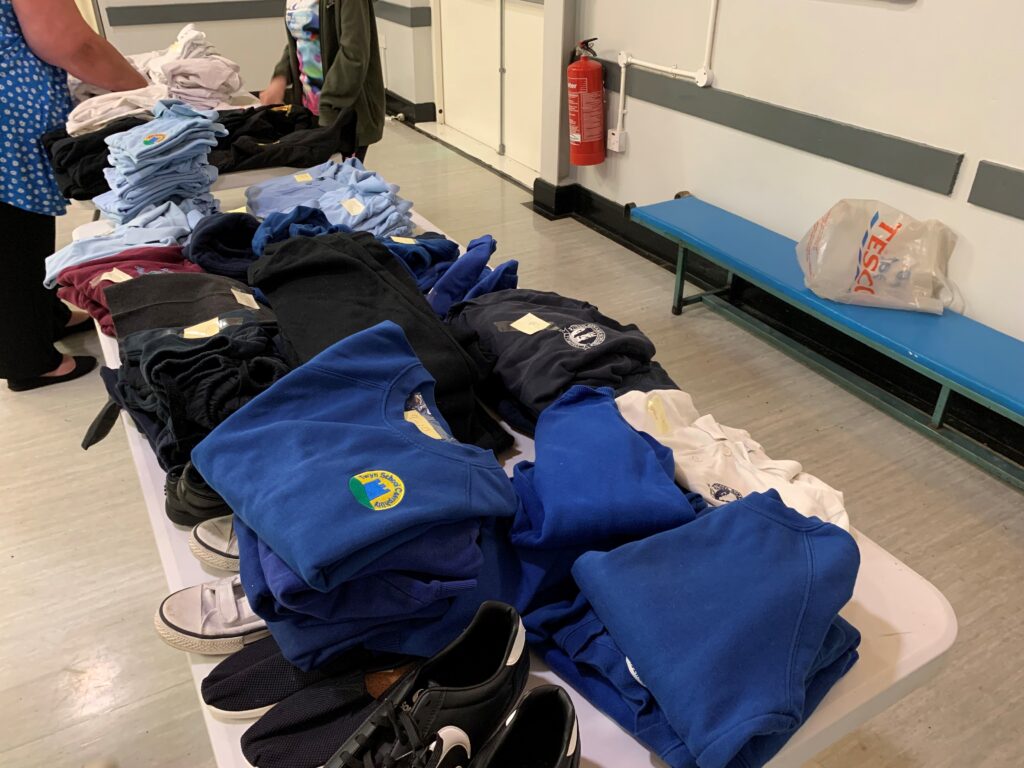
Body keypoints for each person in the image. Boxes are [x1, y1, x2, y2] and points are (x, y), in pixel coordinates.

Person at [1, 0, 146, 391]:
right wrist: (145, 91)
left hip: (10, 113)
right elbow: (70, 43)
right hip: (6, 117)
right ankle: (28, 360)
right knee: (12, 231)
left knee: (24, 222)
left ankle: (49, 317)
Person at [259, 0, 385, 161]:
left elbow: (354, 53)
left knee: (339, 182)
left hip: (342, 115)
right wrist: (280, 78)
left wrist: (328, 108)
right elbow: (302, 36)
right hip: (307, 111)